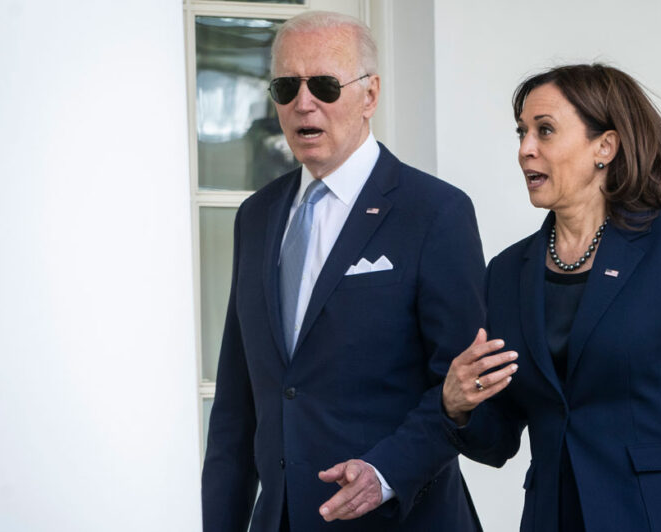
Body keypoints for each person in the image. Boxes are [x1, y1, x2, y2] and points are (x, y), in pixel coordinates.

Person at [441, 64, 661, 532]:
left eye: (545, 131)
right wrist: (458, 405)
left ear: (605, 147)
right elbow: (498, 439)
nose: (525, 150)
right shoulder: (506, 272)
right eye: (521, 132)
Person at [202, 11, 485, 532]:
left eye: (325, 86)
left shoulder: (435, 212)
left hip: (401, 519)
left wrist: (385, 473)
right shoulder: (257, 217)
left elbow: (467, 388)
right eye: (287, 87)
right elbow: (237, 411)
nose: (303, 103)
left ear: (370, 95)